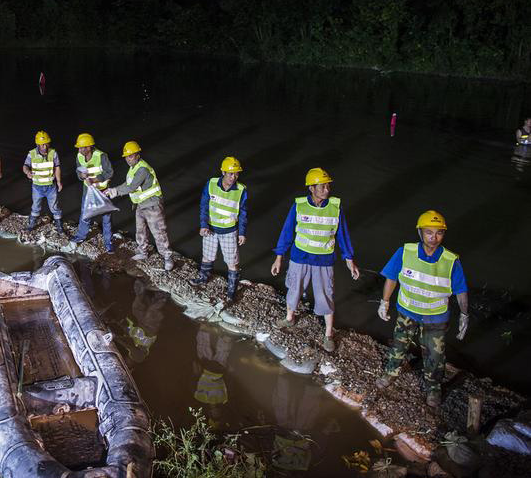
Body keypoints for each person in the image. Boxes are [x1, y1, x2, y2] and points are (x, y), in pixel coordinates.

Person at [375, 211, 469, 408]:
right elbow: (391, 278)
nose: (433, 238)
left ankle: (433, 387)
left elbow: (461, 290)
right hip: (408, 311)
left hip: (435, 317)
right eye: (429, 232)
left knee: (435, 354)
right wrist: (384, 302)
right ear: (420, 232)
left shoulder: (451, 260)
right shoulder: (405, 252)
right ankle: (391, 372)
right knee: (399, 344)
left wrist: (464, 314)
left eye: (439, 233)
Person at [270, 167, 359, 352]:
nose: (327, 189)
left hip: (324, 260)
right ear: (311, 188)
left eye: (328, 186)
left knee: (325, 295)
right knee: (294, 288)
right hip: (299, 257)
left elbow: (342, 235)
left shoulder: (335, 207)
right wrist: (279, 257)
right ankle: (289, 318)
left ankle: (328, 334)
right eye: (323, 186)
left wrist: (349, 260)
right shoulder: (299, 205)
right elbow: (286, 232)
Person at [105, 141, 174, 271]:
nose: (128, 159)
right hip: (140, 204)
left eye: (131, 156)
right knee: (141, 230)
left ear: (137, 155)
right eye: (126, 156)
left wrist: (115, 192)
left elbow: (132, 187)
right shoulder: (133, 169)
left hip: (152, 204)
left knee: (159, 232)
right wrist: (112, 190)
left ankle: (168, 257)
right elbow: (127, 183)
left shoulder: (142, 169)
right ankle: (143, 251)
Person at [189, 156, 248, 299]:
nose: (234, 177)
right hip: (210, 229)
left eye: (236, 174)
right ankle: (203, 278)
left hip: (229, 231)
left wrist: (242, 233)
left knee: (232, 262)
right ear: (223, 172)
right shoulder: (211, 184)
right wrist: (203, 225)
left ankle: (231, 290)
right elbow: (204, 205)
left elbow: (243, 213)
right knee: (207, 256)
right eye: (230, 173)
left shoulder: (241, 190)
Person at [72, 133, 115, 252]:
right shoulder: (79, 156)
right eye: (79, 147)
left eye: (82, 147)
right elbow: (78, 172)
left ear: (89, 147)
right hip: (88, 190)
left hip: (102, 190)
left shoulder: (101, 156)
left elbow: (110, 172)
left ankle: (108, 242)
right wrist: (81, 175)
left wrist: (94, 179)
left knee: (106, 217)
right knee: (85, 214)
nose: (80, 150)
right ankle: (81, 236)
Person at [23, 131, 64, 232]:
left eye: (46, 143)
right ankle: (32, 224)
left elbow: (57, 168)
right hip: (37, 186)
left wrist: (59, 182)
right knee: (36, 206)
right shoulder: (31, 154)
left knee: (54, 207)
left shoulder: (53, 153)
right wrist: (27, 172)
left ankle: (59, 225)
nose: (44, 146)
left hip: (51, 186)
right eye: (42, 144)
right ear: (37, 144)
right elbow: (25, 166)